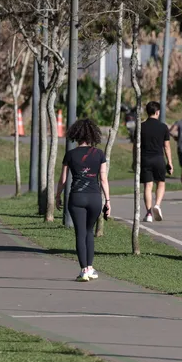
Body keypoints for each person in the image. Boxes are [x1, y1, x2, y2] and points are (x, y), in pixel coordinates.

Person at [55, 119, 111, 282]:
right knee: (89, 232)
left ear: (76, 134)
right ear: (93, 135)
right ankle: (90, 268)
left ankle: (84, 270)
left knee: (80, 233)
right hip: (94, 198)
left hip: (77, 197)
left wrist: (58, 196)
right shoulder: (99, 154)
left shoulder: (70, 154)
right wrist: (108, 200)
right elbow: (103, 179)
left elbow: (63, 180)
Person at [138, 101, 173, 222]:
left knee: (148, 186)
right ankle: (157, 205)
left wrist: (135, 160)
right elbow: (167, 146)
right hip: (159, 158)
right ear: (157, 112)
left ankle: (148, 213)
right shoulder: (163, 127)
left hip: (145, 159)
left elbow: (136, 145)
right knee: (161, 183)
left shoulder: (141, 127)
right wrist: (170, 162)